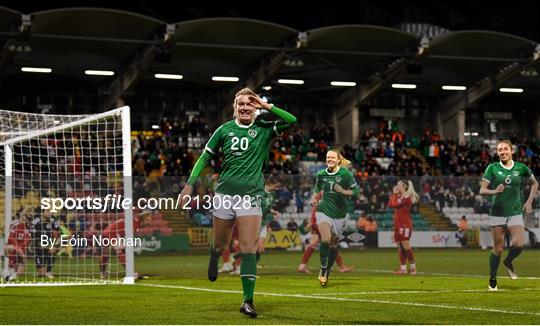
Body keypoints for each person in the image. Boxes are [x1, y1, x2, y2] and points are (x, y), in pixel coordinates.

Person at [180, 88, 297, 318]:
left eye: (249, 104)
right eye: (241, 104)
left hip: (251, 196)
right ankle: (214, 256)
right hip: (224, 195)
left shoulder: (263, 129)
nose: (245, 107)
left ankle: (247, 300)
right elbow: (205, 157)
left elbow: (292, 120)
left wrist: (266, 105)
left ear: (254, 109)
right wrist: (190, 185)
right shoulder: (224, 130)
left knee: (248, 249)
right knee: (221, 244)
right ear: (235, 107)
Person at [479, 139, 538, 291]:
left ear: (512, 151)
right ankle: (492, 278)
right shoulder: (492, 168)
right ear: (497, 152)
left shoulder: (521, 167)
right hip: (497, 213)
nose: (503, 152)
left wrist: (529, 201)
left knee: (518, 244)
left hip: (515, 212)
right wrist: (494, 191)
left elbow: (535, 183)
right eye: (500, 150)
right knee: (498, 249)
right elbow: (482, 190)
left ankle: (509, 261)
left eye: (505, 149)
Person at [310, 149, 359, 286]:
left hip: (340, 214)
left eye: (332, 157)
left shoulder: (345, 174)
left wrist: (343, 191)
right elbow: (317, 188)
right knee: (325, 239)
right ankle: (324, 269)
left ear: (338, 160)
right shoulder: (321, 174)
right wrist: (314, 199)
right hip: (323, 210)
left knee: (334, 244)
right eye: (327, 157)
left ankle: (327, 270)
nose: (329, 159)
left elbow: (357, 191)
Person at [99, 210, 152, 279]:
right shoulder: (135, 223)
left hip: (106, 232)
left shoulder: (135, 222)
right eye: (147, 220)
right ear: (142, 219)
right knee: (121, 252)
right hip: (113, 233)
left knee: (105, 254)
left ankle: (102, 273)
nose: (149, 222)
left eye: (150, 220)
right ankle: (131, 273)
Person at [388, 179, 420, 275]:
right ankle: (403, 268)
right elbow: (390, 204)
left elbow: (393, 205)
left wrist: (394, 194)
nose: (397, 187)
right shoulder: (400, 196)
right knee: (400, 248)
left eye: (399, 185)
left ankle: (413, 268)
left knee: (406, 247)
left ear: (404, 186)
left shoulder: (406, 196)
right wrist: (395, 195)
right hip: (398, 225)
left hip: (404, 225)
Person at [4, 210, 31, 281]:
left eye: (25, 217)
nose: (24, 218)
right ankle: (9, 269)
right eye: (22, 216)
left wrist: (21, 248)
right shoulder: (14, 223)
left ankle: (12, 270)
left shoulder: (28, 226)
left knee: (20, 273)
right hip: (12, 245)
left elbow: (28, 240)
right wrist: (17, 247)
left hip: (22, 248)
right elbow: (11, 237)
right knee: (9, 248)